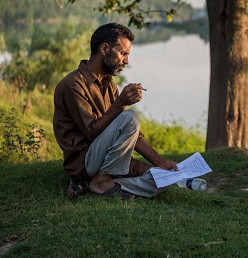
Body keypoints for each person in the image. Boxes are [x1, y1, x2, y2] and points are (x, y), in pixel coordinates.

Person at [53, 23, 178, 199]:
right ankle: (101, 181)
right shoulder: (73, 85)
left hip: (107, 160)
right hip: (84, 162)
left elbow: (131, 134)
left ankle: (94, 184)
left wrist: (161, 163)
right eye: (123, 53)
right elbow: (91, 133)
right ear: (105, 48)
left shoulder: (109, 84)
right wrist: (120, 103)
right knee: (130, 117)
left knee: (161, 179)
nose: (126, 61)